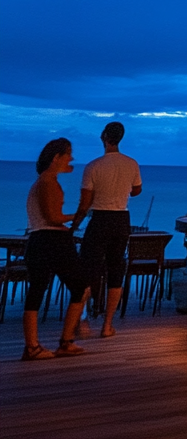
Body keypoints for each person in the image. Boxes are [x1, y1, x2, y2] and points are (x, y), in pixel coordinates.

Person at [71, 121, 142, 336]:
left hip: (99, 219)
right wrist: (122, 190)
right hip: (122, 220)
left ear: (103, 137)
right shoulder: (131, 164)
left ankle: (81, 321)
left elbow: (84, 204)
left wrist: (74, 225)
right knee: (115, 270)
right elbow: (137, 190)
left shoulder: (93, 166)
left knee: (87, 270)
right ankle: (107, 324)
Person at [22, 138, 90, 360]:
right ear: (56, 158)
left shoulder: (44, 182)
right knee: (80, 287)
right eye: (68, 154)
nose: (72, 158)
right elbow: (53, 217)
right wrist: (79, 214)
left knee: (38, 290)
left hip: (39, 240)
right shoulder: (48, 182)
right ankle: (62, 342)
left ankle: (36, 346)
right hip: (50, 240)